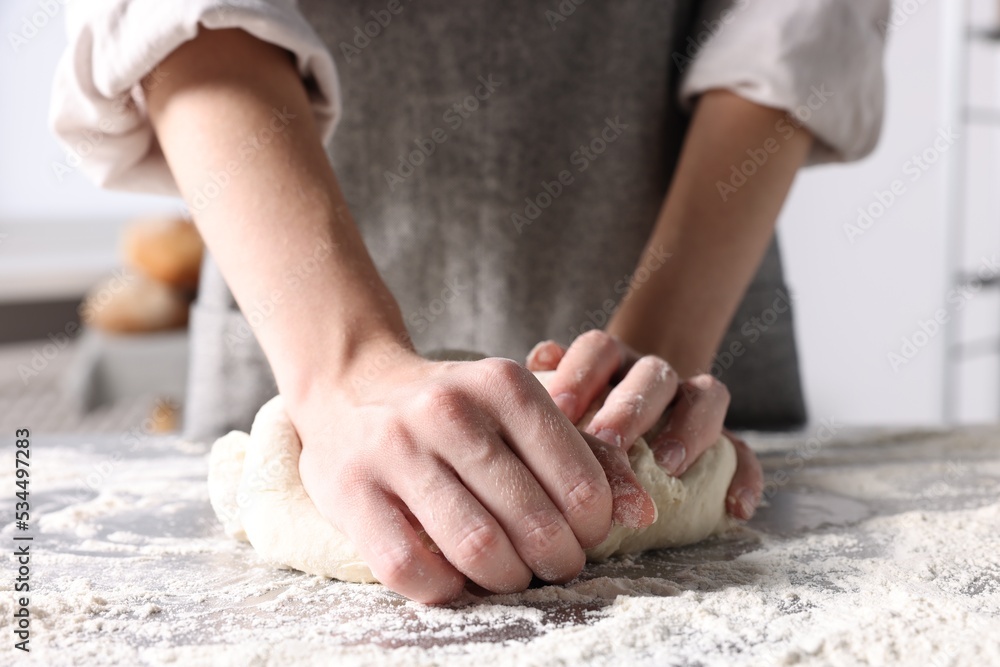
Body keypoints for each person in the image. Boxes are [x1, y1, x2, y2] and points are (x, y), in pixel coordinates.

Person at [51, 0, 889, 603]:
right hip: (294, 320)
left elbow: (796, 20)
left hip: (695, 293)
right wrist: (342, 366)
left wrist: (652, 376)